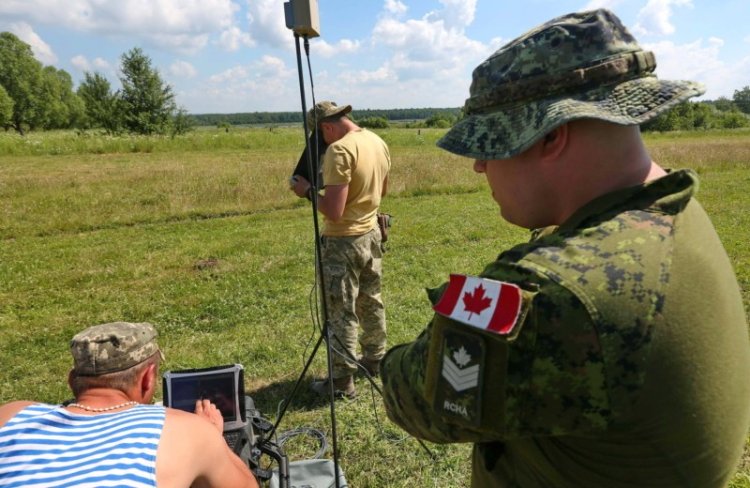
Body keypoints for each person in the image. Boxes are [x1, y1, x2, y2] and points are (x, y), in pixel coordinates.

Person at [380, 9, 750, 488]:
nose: (478, 165)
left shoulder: (556, 295)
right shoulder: (673, 211)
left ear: (551, 135)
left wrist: (388, 361)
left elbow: (417, 398)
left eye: (490, 143)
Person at [0, 321, 258, 488]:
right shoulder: (186, 432)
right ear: (148, 379)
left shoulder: (11, 415)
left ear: (71, 381)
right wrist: (213, 438)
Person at [291, 101, 391, 399]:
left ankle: (341, 381)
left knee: (340, 309)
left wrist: (306, 191)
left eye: (321, 136)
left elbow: (333, 210)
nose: (323, 143)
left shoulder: (339, 150)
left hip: (343, 240)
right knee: (371, 300)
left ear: (327, 127)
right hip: (371, 234)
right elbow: (382, 191)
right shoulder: (377, 141)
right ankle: (374, 359)